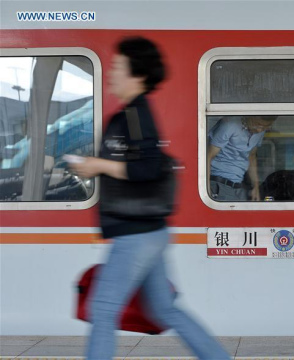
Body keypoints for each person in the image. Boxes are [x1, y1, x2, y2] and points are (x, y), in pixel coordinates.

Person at [69, 37, 230, 360]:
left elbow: (147, 168)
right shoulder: (131, 113)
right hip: (148, 231)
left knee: (103, 309)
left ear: (137, 75)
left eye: (118, 67)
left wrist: (98, 165)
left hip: (136, 234)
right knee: (163, 310)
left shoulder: (135, 114)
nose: (111, 73)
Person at [207, 115, 276, 201]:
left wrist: (256, 187)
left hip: (239, 185)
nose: (259, 130)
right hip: (219, 183)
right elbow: (208, 157)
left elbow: (251, 156)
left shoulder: (260, 132)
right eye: (258, 124)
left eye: (265, 127)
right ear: (251, 116)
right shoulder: (230, 125)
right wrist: (206, 188)